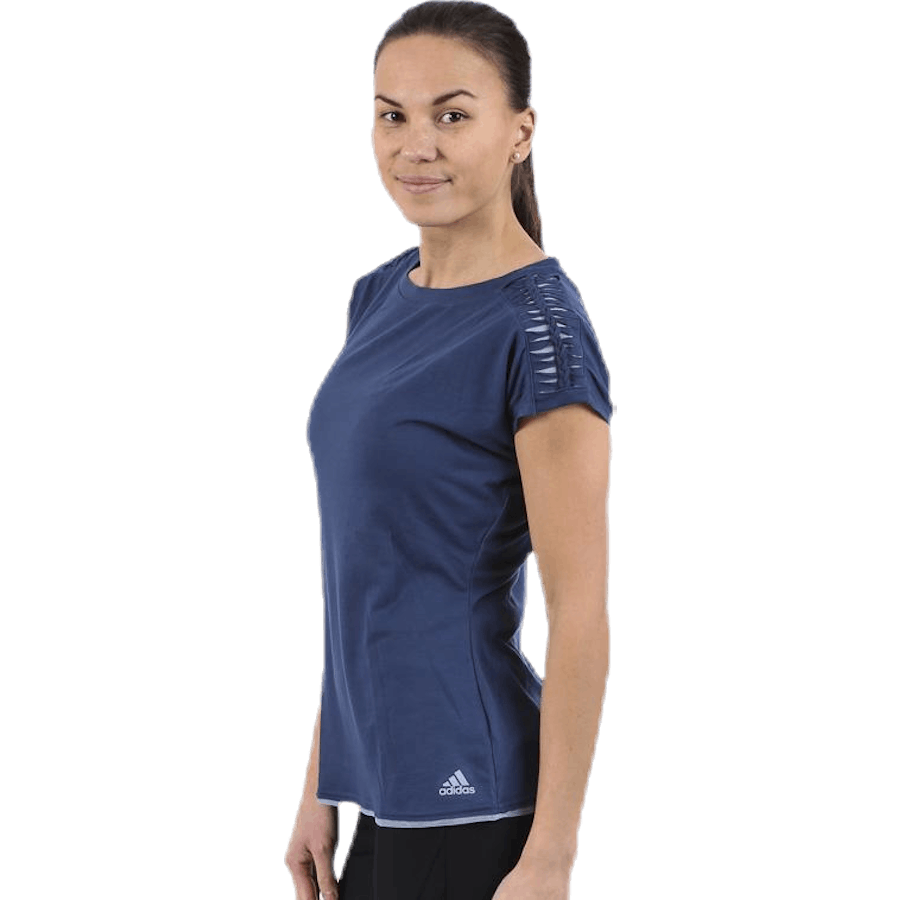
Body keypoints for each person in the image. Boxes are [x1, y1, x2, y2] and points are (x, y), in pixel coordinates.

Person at [285, 2, 615, 898]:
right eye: (393, 115)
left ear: (520, 132)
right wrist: (321, 782)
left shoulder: (540, 332)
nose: (416, 145)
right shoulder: (379, 294)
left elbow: (580, 612)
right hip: (378, 790)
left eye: (452, 115)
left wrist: (551, 857)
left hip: (472, 800)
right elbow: (366, 569)